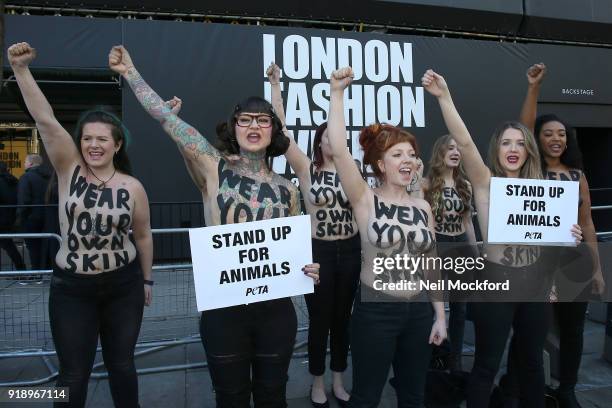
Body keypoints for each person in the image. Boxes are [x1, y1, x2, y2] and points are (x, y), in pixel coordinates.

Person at [109, 45, 320, 408]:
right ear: (233, 126)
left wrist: (308, 267)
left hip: (276, 311)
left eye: (263, 120)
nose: (254, 126)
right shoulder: (213, 167)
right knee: (230, 397)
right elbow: (166, 120)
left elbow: (294, 247)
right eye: (245, 120)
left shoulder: (288, 190)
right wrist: (130, 73)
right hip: (225, 312)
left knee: (273, 395)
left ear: (273, 130)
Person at [420, 69, 582, 408]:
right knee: (486, 366)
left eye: (521, 143)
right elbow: (463, 141)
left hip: (535, 283)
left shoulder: (544, 191)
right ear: (498, 147)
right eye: (507, 142)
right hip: (496, 282)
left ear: (529, 151)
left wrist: (570, 237)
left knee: (532, 366)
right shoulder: (485, 183)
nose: (514, 148)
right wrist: (444, 97)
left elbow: (549, 244)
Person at [9, 42, 154, 408]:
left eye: (101, 139)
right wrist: (22, 70)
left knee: (123, 366)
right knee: (72, 373)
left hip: (123, 286)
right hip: (72, 289)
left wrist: (147, 279)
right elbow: (45, 119)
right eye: (87, 138)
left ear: (117, 145)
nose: (92, 144)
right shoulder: (67, 169)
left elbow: (143, 235)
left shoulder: (132, 187)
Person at [326, 67, 446, 408]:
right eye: (397, 154)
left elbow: (431, 263)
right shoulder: (365, 199)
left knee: (413, 396)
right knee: (366, 397)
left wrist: (440, 315)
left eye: (411, 154)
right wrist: (336, 94)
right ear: (381, 164)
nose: (407, 160)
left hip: (420, 310)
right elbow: (338, 149)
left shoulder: (423, 207)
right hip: (375, 311)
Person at [267, 63, 361, 407]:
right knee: (320, 320)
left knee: (342, 320)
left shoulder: (354, 172)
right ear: (321, 140)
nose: (337, 140)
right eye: (330, 136)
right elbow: (282, 131)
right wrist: (276, 85)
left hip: (350, 252)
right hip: (318, 252)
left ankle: (339, 378)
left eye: (341, 136)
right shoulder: (307, 169)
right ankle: (317, 382)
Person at [519, 63, 604, 408]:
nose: (557, 139)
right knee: (534, 331)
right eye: (549, 133)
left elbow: (587, 225)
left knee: (573, 332)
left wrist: (597, 268)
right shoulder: (531, 170)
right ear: (538, 139)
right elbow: (523, 128)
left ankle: (566, 389)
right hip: (537, 262)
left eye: (562, 134)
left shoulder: (578, 176)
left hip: (573, 262)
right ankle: (531, 389)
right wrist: (534, 88)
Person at [423, 134, 477, 372]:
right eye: (450, 148)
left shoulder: (464, 185)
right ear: (440, 152)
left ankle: (454, 359)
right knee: (430, 304)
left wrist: (475, 255)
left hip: (461, 244)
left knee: (460, 306)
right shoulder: (426, 184)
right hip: (437, 244)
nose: (456, 152)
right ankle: (431, 355)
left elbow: (468, 223)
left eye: (458, 149)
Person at [17, 153, 52, 271]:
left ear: (31, 163)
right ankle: (46, 270)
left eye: (25, 162)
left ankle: (36, 273)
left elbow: (23, 200)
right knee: (46, 245)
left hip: (31, 218)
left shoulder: (26, 177)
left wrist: (20, 219)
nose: (24, 164)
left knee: (33, 247)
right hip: (48, 217)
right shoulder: (49, 177)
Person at [0, 161, 26, 271]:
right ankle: (21, 268)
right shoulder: (14, 180)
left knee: (8, 245)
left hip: (2, 217)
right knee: (8, 244)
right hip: (10, 217)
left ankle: (21, 269)